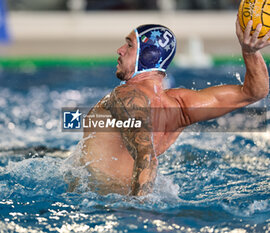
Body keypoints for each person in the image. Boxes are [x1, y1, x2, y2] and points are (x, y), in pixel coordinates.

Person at [80, 18, 270, 196]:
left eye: (129, 45)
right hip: (133, 197)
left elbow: (146, 156)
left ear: (148, 55)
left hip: (102, 204)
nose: (120, 50)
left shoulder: (126, 96)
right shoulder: (180, 106)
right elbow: (254, 92)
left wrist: (137, 209)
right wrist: (250, 52)